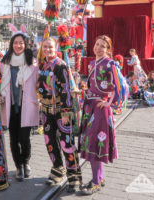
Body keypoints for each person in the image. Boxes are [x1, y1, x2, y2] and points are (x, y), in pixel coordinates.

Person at [37, 37, 82, 193]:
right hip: (46, 110)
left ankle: (74, 176)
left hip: (61, 111)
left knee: (67, 144)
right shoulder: (43, 64)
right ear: (42, 48)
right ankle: (58, 169)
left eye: (51, 47)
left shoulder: (60, 65)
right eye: (45, 47)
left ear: (55, 48)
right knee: (50, 142)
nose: (48, 49)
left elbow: (66, 90)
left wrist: (65, 112)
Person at [79, 35, 122, 195]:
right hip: (89, 108)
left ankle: (96, 182)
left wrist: (109, 103)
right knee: (91, 142)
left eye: (103, 46)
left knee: (95, 144)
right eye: (97, 44)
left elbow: (121, 86)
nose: (98, 48)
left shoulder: (111, 64)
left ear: (108, 49)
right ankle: (99, 177)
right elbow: (94, 85)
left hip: (100, 110)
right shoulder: (92, 63)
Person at [0, 32, 39, 181]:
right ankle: (18, 166)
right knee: (13, 139)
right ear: (11, 44)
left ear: (25, 44)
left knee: (25, 139)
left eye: (21, 42)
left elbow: (39, 83)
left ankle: (26, 162)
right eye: (15, 42)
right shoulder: (4, 63)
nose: (18, 45)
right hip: (10, 107)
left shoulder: (33, 63)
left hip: (26, 107)